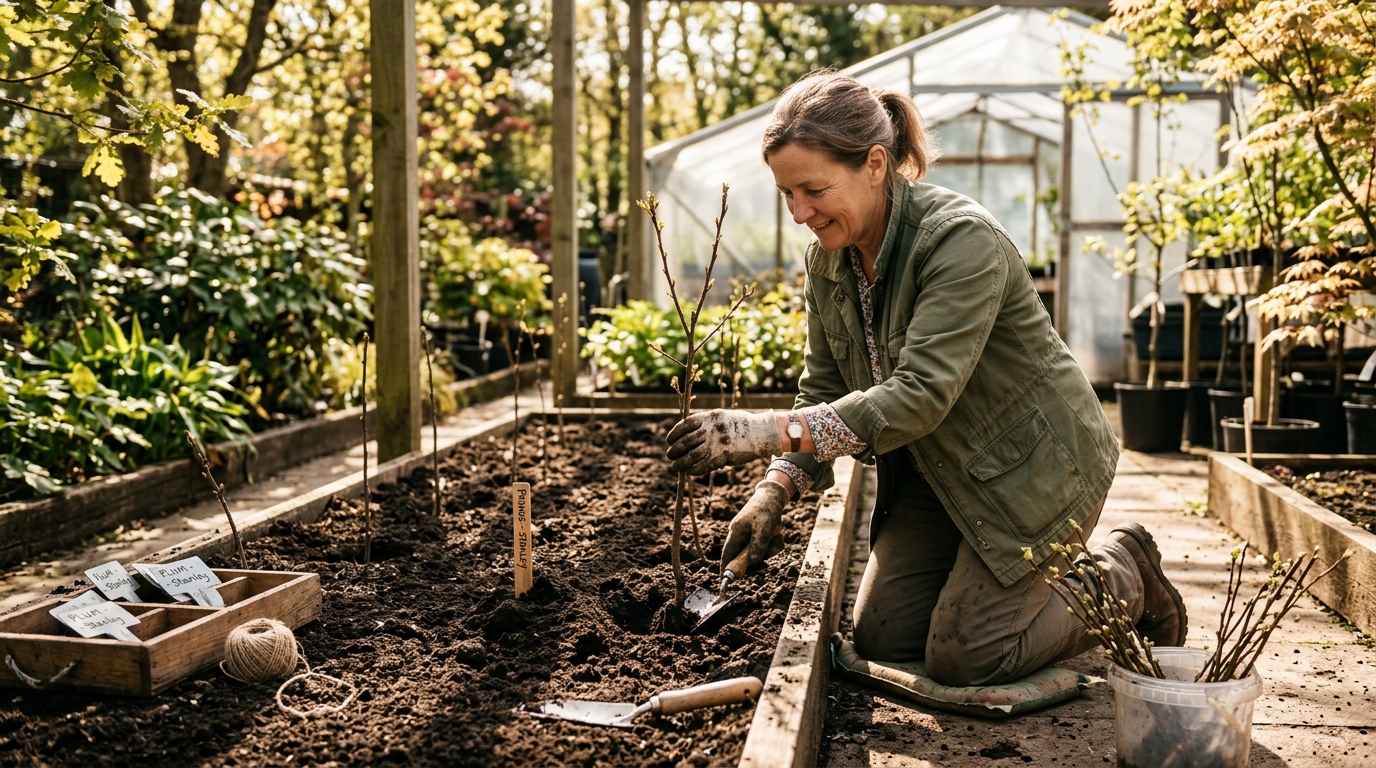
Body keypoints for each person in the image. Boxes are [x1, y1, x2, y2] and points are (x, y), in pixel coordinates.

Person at [663, 70, 1187, 687]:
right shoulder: (828, 258)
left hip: (1035, 471)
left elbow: (922, 395)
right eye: (786, 193)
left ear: (876, 164)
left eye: (813, 189)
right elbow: (822, 386)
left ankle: (1122, 574)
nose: (800, 212)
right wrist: (776, 487)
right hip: (940, 471)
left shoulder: (959, 241)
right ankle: (987, 579)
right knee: (883, 637)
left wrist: (761, 431)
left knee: (968, 657)